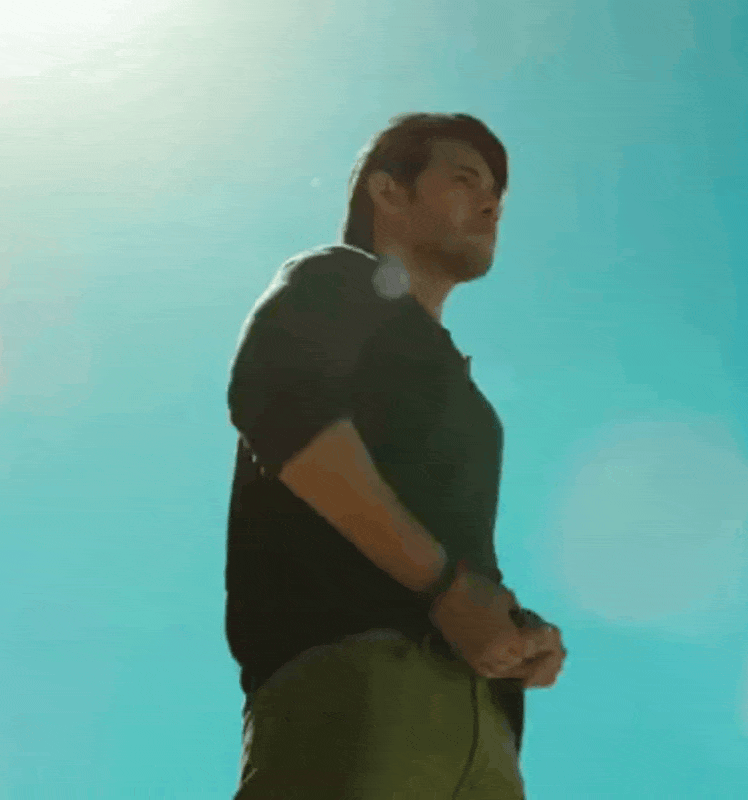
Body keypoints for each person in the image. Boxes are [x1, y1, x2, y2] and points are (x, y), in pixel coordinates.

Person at [224, 112, 567, 799]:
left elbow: (454, 548)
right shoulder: (336, 278)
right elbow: (280, 409)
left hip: (485, 725)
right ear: (388, 191)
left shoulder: (453, 381)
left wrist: (516, 630)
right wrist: (444, 588)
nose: (492, 204)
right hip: (356, 685)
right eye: (465, 180)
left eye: (498, 195)